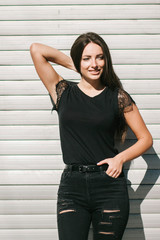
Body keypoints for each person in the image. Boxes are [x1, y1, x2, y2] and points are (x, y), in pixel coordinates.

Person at [30, 32, 153, 240]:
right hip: (72, 189)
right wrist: (77, 65)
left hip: (109, 187)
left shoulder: (118, 96)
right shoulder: (62, 91)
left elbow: (146, 139)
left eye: (99, 57)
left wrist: (120, 158)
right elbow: (36, 49)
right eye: (87, 58)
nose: (94, 64)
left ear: (106, 60)